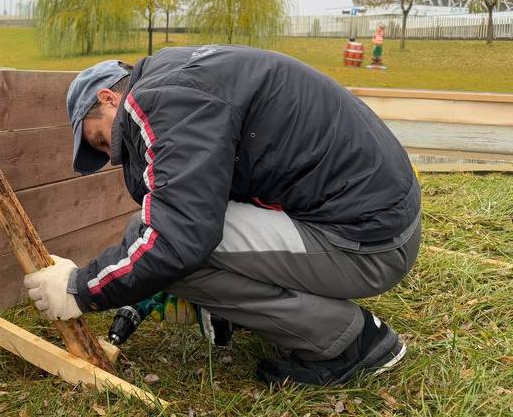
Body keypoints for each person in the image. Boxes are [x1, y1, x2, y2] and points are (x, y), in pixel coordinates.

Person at [24, 45, 421, 386]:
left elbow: (177, 237)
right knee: (160, 239)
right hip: (376, 220)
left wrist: (80, 288)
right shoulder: (183, 78)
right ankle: (246, 312)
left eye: (99, 138)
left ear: (110, 98)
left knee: (167, 245)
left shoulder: (159, 101)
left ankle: (350, 342)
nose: (112, 154)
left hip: (367, 243)